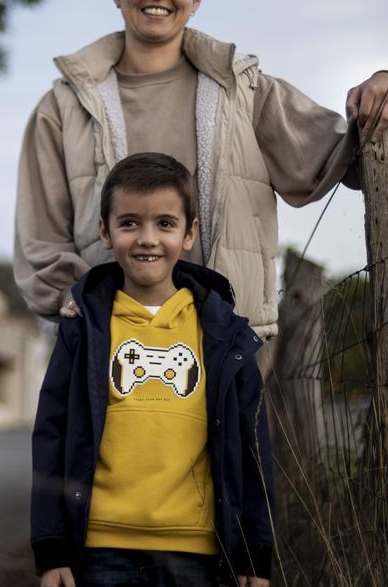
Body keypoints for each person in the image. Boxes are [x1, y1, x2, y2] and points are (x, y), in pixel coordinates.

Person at [13, 0, 388, 347]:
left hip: (229, 352)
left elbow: (342, 155)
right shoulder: (63, 107)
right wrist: (85, 304)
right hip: (110, 353)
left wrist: (385, 88)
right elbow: (41, 242)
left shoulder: (243, 91)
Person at [31, 152, 273, 587]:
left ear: (188, 234)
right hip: (99, 551)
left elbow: (252, 444)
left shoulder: (223, 336)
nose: (147, 238)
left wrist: (254, 555)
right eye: (129, 223)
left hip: (198, 555)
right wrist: (51, 549)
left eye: (164, 223)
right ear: (105, 231)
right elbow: (51, 434)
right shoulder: (83, 328)